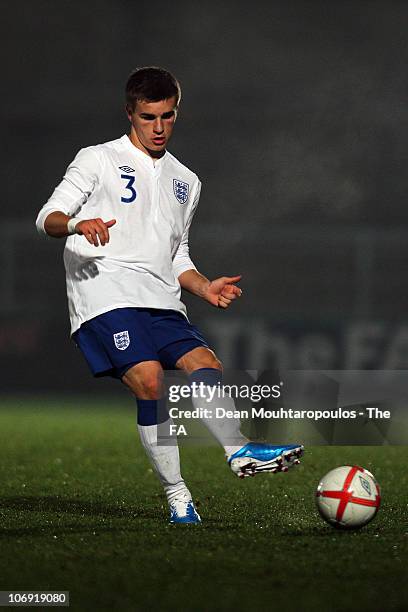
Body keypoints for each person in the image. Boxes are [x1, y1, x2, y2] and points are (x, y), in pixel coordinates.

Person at [36, 66, 303, 524]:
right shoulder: (97, 159)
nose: (158, 127)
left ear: (177, 113)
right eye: (148, 117)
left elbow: (176, 253)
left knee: (207, 366)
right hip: (105, 292)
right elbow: (47, 217)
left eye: (168, 116)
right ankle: (178, 494)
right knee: (151, 382)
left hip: (161, 300)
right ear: (130, 113)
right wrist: (80, 223)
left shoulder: (187, 181)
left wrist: (203, 286)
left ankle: (239, 451)